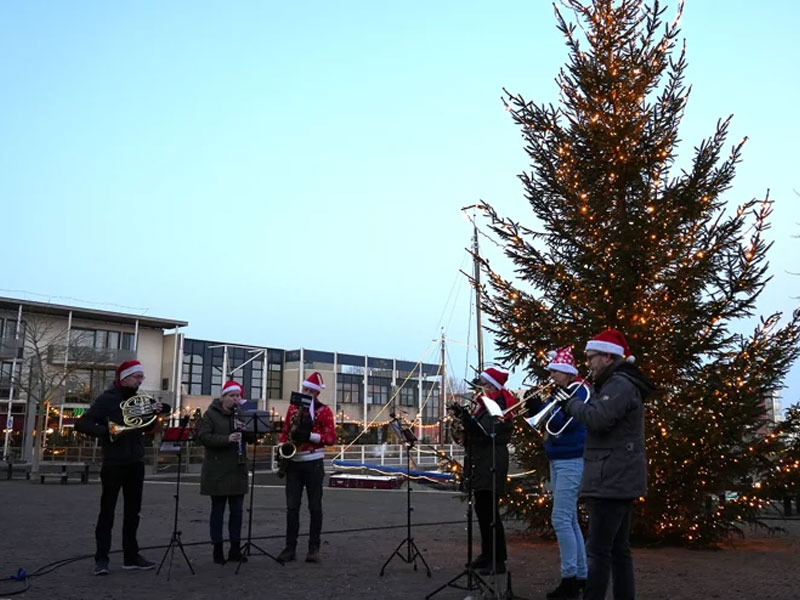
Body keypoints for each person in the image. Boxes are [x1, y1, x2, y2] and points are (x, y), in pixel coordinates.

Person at [559, 329, 655, 600]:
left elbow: (599, 419)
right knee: (617, 550)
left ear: (607, 356)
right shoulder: (618, 383)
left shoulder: (620, 385)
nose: (588, 363)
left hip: (610, 477)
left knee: (599, 551)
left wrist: (571, 404)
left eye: (591, 357)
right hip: (617, 475)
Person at [75, 360, 170, 576]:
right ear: (125, 377)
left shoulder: (140, 400)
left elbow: (146, 425)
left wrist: (156, 412)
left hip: (135, 461)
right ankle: (101, 558)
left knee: (132, 512)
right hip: (114, 462)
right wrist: (107, 432)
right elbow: (83, 423)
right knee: (107, 511)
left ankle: (131, 556)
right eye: (137, 376)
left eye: (141, 377)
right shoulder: (107, 399)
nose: (140, 380)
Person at [527, 347, 591, 599]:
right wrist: (537, 408)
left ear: (566, 372)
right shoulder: (563, 392)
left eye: (554, 371)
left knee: (561, 519)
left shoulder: (579, 391)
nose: (551, 375)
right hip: (560, 457)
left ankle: (570, 579)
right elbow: (551, 421)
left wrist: (544, 411)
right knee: (570, 520)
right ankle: (581, 575)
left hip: (572, 458)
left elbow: (561, 424)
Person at [276, 371, 336, 564]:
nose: (307, 392)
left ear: (317, 393)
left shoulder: (324, 411)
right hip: (294, 462)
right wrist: (282, 445)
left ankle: (313, 548)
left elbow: (330, 438)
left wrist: (309, 436)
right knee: (292, 508)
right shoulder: (293, 409)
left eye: (311, 391)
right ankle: (289, 548)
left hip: (313, 462)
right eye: (305, 389)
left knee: (315, 507)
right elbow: (286, 431)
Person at [460, 366, 514, 575]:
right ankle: (486, 554)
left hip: (492, 460)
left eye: (484, 384)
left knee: (490, 512)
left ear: (492, 386)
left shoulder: (500, 405)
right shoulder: (484, 405)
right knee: (482, 510)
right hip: (482, 459)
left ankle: (498, 559)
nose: (481, 388)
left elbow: (493, 432)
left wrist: (472, 426)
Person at [197, 380, 255, 565]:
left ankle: (235, 549)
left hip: (237, 468)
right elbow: (203, 437)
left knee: (237, 511)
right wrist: (227, 439)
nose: (236, 399)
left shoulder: (242, 414)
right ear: (223, 397)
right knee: (218, 511)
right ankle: (218, 549)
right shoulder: (211, 414)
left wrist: (246, 431)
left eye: (238, 396)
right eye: (232, 396)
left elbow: (253, 438)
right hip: (217, 469)